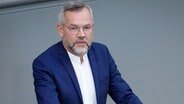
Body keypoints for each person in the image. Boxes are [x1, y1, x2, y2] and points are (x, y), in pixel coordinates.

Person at [32, 1, 142, 104]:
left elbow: (125, 97)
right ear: (61, 30)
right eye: (74, 28)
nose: (82, 34)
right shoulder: (45, 64)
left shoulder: (102, 53)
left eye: (87, 27)